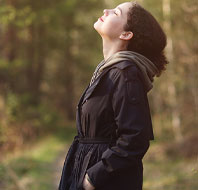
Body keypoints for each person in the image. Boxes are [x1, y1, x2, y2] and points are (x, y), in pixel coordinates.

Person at [58, 1, 168, 190]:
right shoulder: (109, 71)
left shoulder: (125, 74)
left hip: (107, 181)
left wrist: (93, 178)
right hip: (88, 168)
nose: (105, 11)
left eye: (115, 12)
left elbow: (134, 140)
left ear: (126, 34)